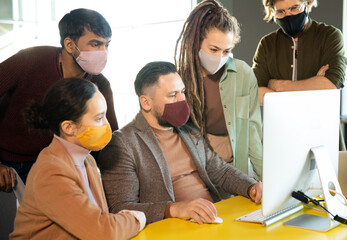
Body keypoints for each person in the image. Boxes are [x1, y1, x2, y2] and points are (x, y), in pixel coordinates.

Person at [99, 61, 262, 225]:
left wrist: (251, 187)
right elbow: (121, 208)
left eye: (182, 92)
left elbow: (221, 172)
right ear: (146, 102)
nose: (182, 100)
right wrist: (174, 209)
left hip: (214, 219)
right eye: (172, 95)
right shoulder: (122, 143)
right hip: (174, 228)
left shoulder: (188, 130)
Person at [10, 78, 145, 240]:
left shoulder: (88, 160)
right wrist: (136, 218)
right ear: (69, 127)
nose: (107, 125)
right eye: (99, 118)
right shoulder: (51, 172)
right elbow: (102, 232)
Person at [0, 8, 118, 191]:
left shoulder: (100, 85)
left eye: (107, 45)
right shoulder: (30, 60)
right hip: (7, 161)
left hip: (54, 165)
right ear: (70, 45)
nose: (103, 52)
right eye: (95, 44)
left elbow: (109, 141)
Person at [175, 0, 263, 180]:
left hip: (237, 164)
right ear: (196, 42)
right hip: (198, 165)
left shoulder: (243, 73)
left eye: (226, 51)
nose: (219, 57)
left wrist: (265, 178)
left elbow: (252, 130)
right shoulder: (180, 79)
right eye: (213, 49)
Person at [253, 0, 347, 105]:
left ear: (307, 4)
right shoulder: (267, 44)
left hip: (319, 120)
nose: (288, 15)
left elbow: (330, 85)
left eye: (294, 8)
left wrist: (278, 86)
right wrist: (314, 84)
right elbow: (256, 93)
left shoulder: (330, 36)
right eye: (280, 11)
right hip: (279, 120)